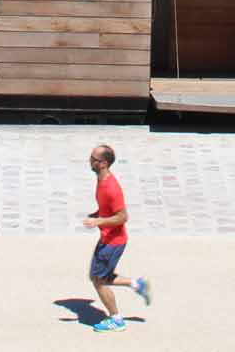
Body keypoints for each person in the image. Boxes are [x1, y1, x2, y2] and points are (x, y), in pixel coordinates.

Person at [81, 142, 149, 332]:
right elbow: (108, 209)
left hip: (113, 241)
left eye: (93, 159)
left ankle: (116, 319)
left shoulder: (111, 187)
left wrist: (98, 222)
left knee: (99, 281)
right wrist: (98, 214)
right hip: (108, 239)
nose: (90, 161)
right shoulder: (100, 180)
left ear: (103, 163)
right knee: (97, 277)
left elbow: (122, 217)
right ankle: (136, 284)